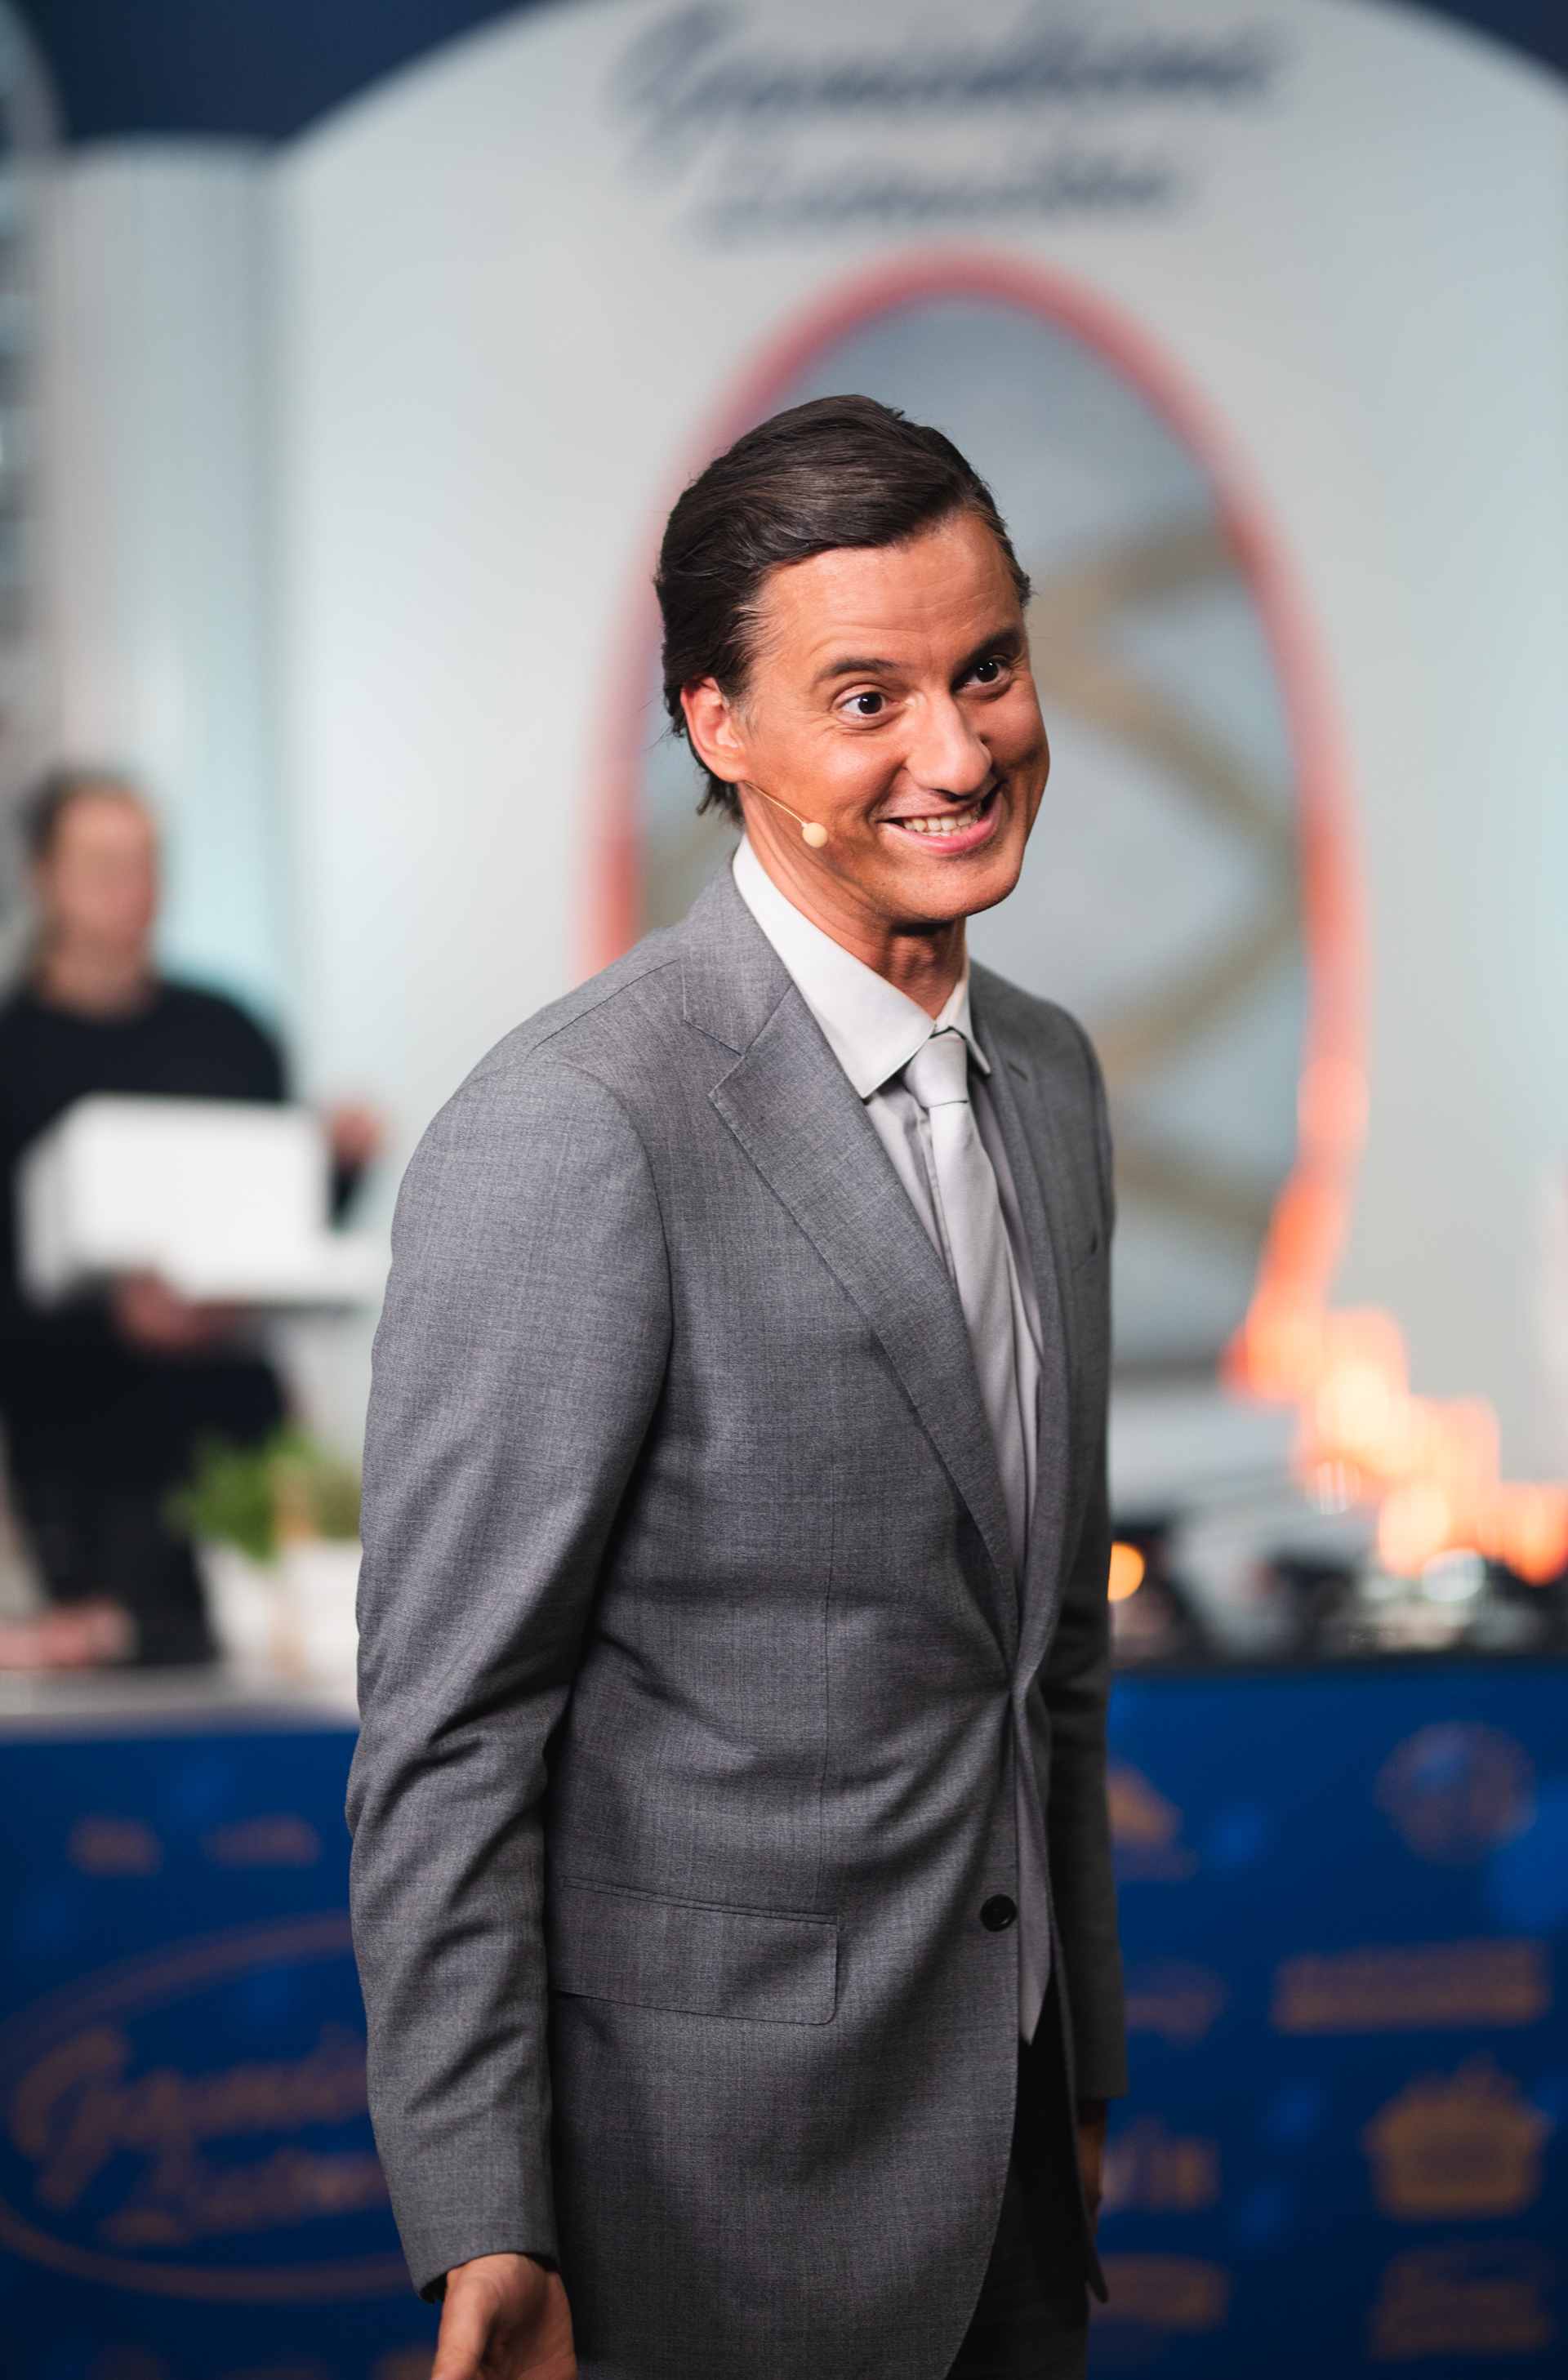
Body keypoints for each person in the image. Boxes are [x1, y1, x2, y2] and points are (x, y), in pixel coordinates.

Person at [350, 397, 1125, 2380]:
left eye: (986, 669)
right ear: (719, 725)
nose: (958, 751)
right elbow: (452, 1735)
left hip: (1014, 2169)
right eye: (866, 698)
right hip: (700, 2209)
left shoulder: (1049, 1078)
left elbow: (1043, 1662)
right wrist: (484, 2216)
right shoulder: (574, 1126)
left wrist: (1081, 2071)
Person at [0, 770, 377, 1667]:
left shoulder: (231, 1033)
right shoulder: (14, 1056)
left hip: (236, 1440)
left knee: (264, 1663)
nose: (133, 888)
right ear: (43, 877)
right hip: (80, 1456)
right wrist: (118, 1319)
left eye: (147, 862)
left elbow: (277, 1231)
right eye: (104, 865)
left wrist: (336, 1172)